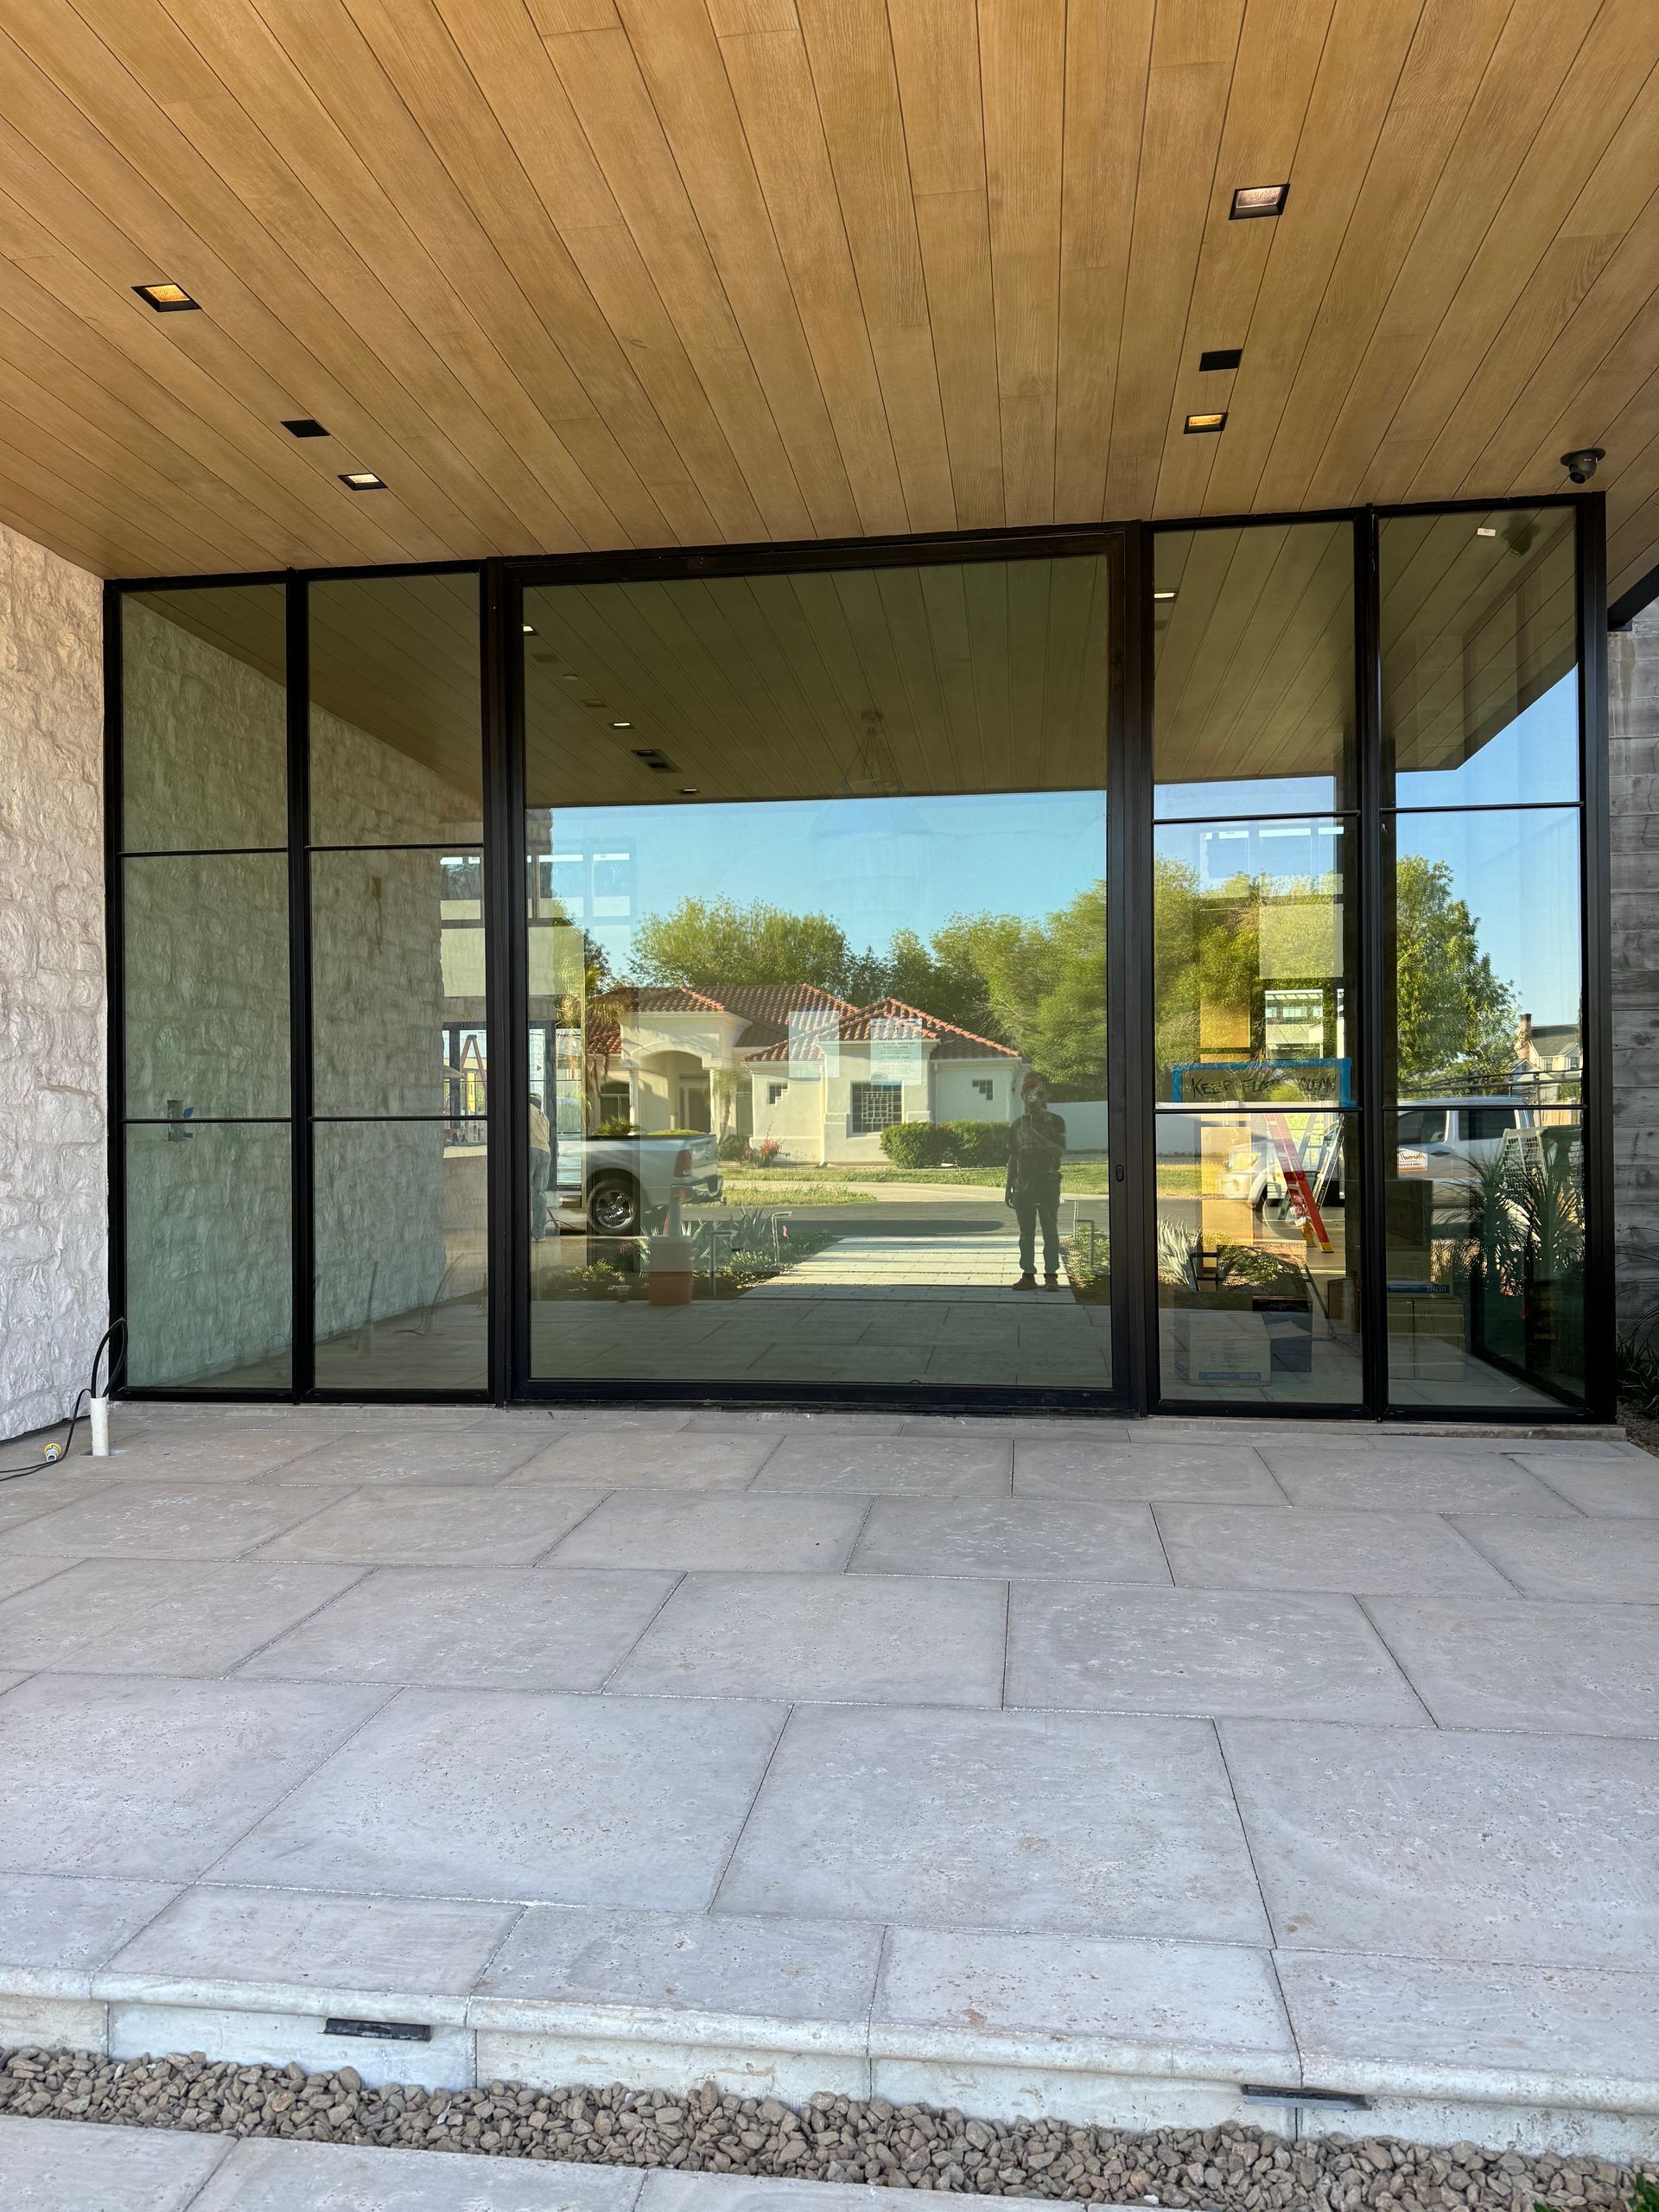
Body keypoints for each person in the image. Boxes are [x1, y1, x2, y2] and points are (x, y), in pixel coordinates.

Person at [1004, 1073, 1066, 1290]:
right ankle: (1028, 1275)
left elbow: (1059, 1151)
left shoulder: (1055, 1121)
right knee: (1026, 1233)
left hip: (1048, 1183)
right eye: (1026, 1096)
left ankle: (1051, 1277)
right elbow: (1013, 1156)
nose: (1030, 1101)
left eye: (1034, 1096)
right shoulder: (1016, 1126)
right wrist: (1008, 1187)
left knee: (1050, 1230)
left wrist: (1034, 1133)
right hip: (1023, 1184)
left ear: (1042, 1098)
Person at [528, 1090, 551, 1242]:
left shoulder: (527, 1109)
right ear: (540, 1104)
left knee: (524, 1191)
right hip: (545, 1151)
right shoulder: (545, 1118)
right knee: (540, 1193)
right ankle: (539, 1233)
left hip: (532, 1149)